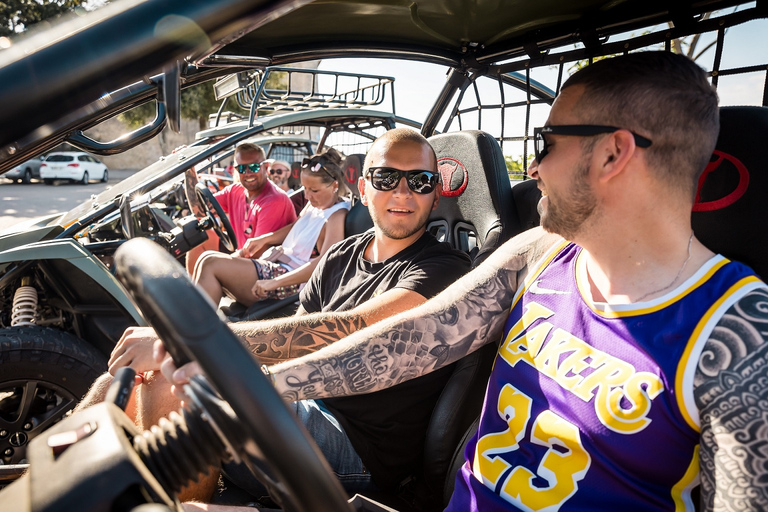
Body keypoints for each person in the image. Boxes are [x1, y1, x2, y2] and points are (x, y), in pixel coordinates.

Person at [160, 52, 768, 511]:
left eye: (547, 143)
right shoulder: (541, 254)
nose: (532, 168)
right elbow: (412, 338)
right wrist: (256, 382)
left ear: (612, 155)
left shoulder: (739, 339)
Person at [90, 127, 472, 501]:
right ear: (363, 188)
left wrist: (194, 343)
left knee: (174, 382)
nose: (402, 192)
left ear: (435, 195)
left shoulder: (445, 268)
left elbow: (354, 329)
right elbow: (298, 340)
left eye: (420, 181)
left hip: (357, 446)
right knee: (118, 383)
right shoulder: (342, 255)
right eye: (386, 177)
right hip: (301, 398)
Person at [192, 148, 351, 306]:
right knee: (205, 258)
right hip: (278, 265)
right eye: (305, 189)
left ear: (334, 185)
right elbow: (294, 227)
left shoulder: (336, 216)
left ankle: (198, 327)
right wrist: (264, 239)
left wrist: (275, 282)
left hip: (292, 282)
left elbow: (324, 264)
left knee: (211, 263)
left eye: (314, 190)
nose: (307, 196)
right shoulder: (314, 205)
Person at [184, 143, 297, 273]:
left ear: (266, 167)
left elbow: (254, 255)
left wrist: (215, 263)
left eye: (254, 167)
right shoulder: (235, 191)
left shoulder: (274, 200)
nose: (248, 173)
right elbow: (199, 210)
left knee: (209, 263)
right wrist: (188, 169)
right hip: (242, 255)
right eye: (242, 168)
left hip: (263, 270)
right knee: (198, 234)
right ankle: (193, 291)